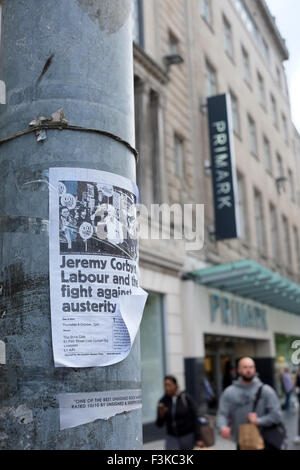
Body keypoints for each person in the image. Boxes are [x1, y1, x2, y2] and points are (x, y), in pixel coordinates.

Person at [217, 357, 284, 450]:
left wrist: (258, 421)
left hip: (265, 441)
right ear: (239, 370)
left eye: (251, 367)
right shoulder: (229, 392)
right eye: (245, 367)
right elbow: (222, 414)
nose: (248, 370)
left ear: (255, 369)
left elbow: (277, 415)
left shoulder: (266, 391)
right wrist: (223, 427)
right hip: (242, 442)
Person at [156, 375, 204, 450]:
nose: (167, 388)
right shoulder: (163, 402)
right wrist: (161, 415)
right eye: (165, 385)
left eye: (169, 385)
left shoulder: (185, 398)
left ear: (175, 385)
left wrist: (198, 438)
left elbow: (195, 418)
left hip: (187, 436)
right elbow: (159, 424)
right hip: (171, 437)